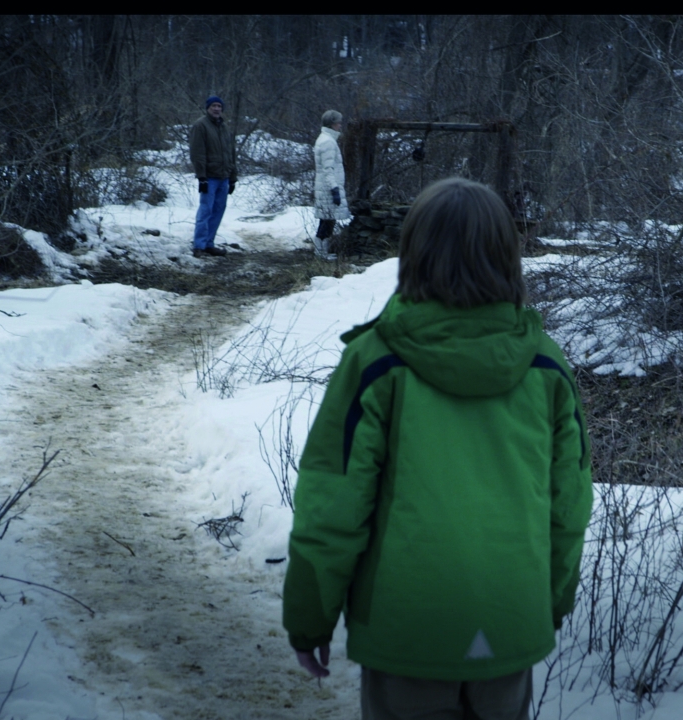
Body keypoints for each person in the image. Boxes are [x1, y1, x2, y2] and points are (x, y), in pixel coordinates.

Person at [282, 177, 593, 719]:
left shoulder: (376, 363)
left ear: (414, 252)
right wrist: (548, 605)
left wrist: (309, 617)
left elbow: (332, 506)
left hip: (408, 632)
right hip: (508, 620)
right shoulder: (546, 366)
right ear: (506, 255)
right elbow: (569, 506)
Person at [189, 95, 237, 258]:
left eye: (219, 106)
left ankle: (209, 243)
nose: (216, 109)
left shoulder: (224, 127)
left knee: (218, 211)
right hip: (209, 177)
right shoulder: (200, 126)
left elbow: (231, 153)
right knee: (205, 210)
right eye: (213, 106)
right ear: (208, 108)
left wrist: (233, 177)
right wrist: (201, 177)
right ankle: (199, 246)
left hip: (224, 176)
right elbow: (197, 153)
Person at [312, 109, 351, 260]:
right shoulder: (328, 142)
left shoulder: (325, 139)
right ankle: (321, 253)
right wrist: (334, 188)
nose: (340, 125)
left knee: (327, 220)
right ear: (332, 124)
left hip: (325, 187)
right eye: (338, 122)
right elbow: (328, 169)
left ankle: (321, 252)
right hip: (328, 188)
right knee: (327, 221)